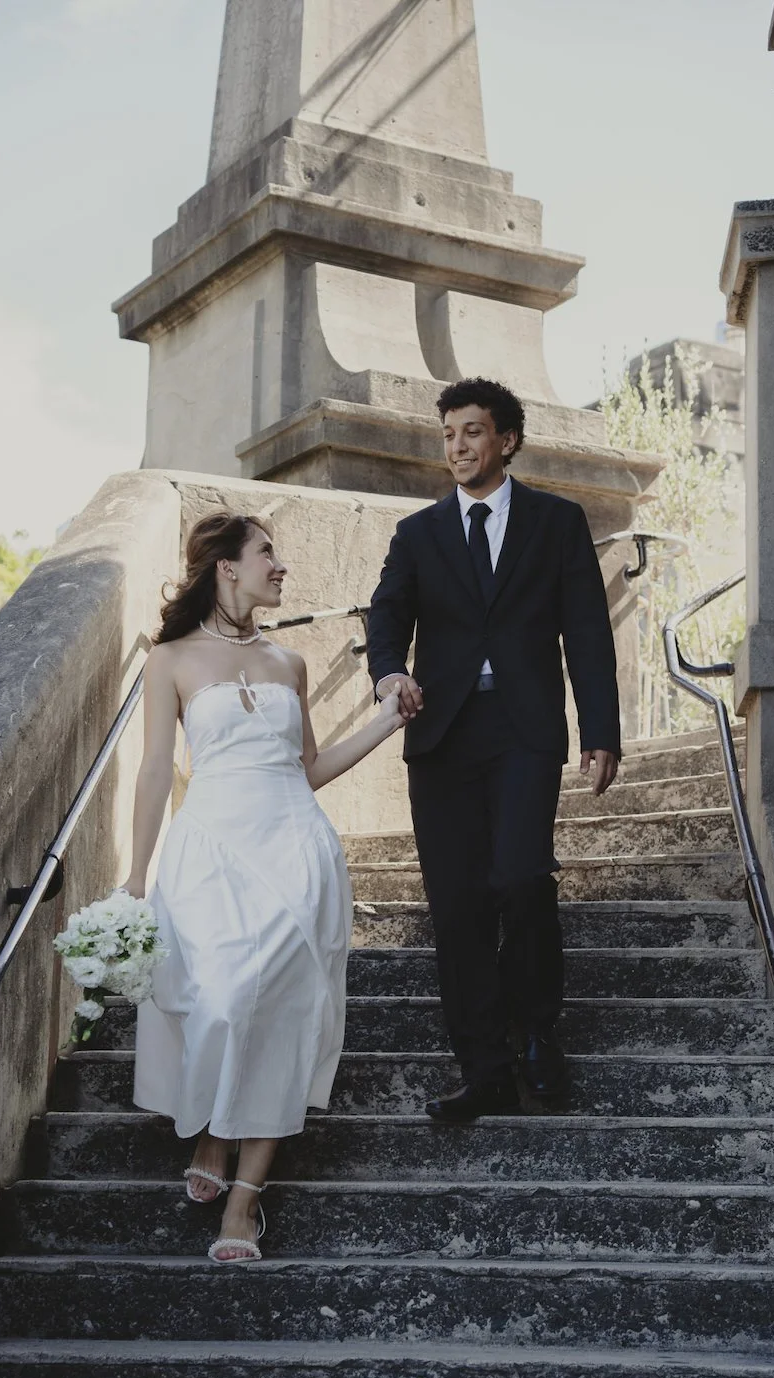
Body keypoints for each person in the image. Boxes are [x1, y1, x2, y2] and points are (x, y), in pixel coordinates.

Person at [122, 510, 403, 1261]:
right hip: (211, 851)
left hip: (295, 851)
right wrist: (133, 874)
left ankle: (245, 1199)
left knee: (283, 1010)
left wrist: (384, 721)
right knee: (221, 997)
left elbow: (306, 770)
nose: (280, 567)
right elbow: (154, 772)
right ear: (227, 567)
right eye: (268, 553)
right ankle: (213, 1128)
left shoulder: (291, 664)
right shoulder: (170, 659)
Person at [366, 377, 620, 1121]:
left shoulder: (557, 521)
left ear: (506, 439)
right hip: (442, 735)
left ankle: (537, 1030)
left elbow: (588, 634)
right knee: (456, 905)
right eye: (448, 435)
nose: (457, 447)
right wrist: (390, 673)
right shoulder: (418, 535)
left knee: (520, 877)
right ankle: (482, 1066)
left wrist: (601, 730)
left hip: (523, 730)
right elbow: (388, 617)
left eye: (471, 432)